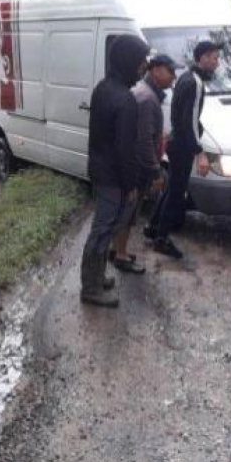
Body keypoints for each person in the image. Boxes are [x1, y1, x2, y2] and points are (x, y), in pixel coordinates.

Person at [80, 34, 150, 308]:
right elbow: (125, 149)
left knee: (102, 228)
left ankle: (96, 278)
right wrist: (131, 185)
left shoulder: (103, 87)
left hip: (100, 170)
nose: (144, 65)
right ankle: (91, 288)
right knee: (102, 230)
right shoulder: (125, 100)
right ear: (128, 60)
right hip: (113, 176)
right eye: (141, 60)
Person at [148, 40, 220, 259]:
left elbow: (184, 118)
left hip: (177, 142)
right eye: (214, 58)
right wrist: (200, 153)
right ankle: (161, 239)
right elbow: (188, 120)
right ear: (203, 58)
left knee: (171, 190)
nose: (217, 63)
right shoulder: (195, 83)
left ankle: (152, 228)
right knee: (176, 194)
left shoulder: (186, 78)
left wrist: (199, 132)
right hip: (182, 147)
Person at [109, 53, 178, 274]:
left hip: (132, 164)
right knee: (129, 212)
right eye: (170, 71)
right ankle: (120, 255)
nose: (173, 77)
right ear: (155, 70)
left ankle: (117, 250)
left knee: (127, 210)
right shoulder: (148, 98)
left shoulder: (144, 92)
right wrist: (156, 171)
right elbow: (144, 141)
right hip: (137, 168)